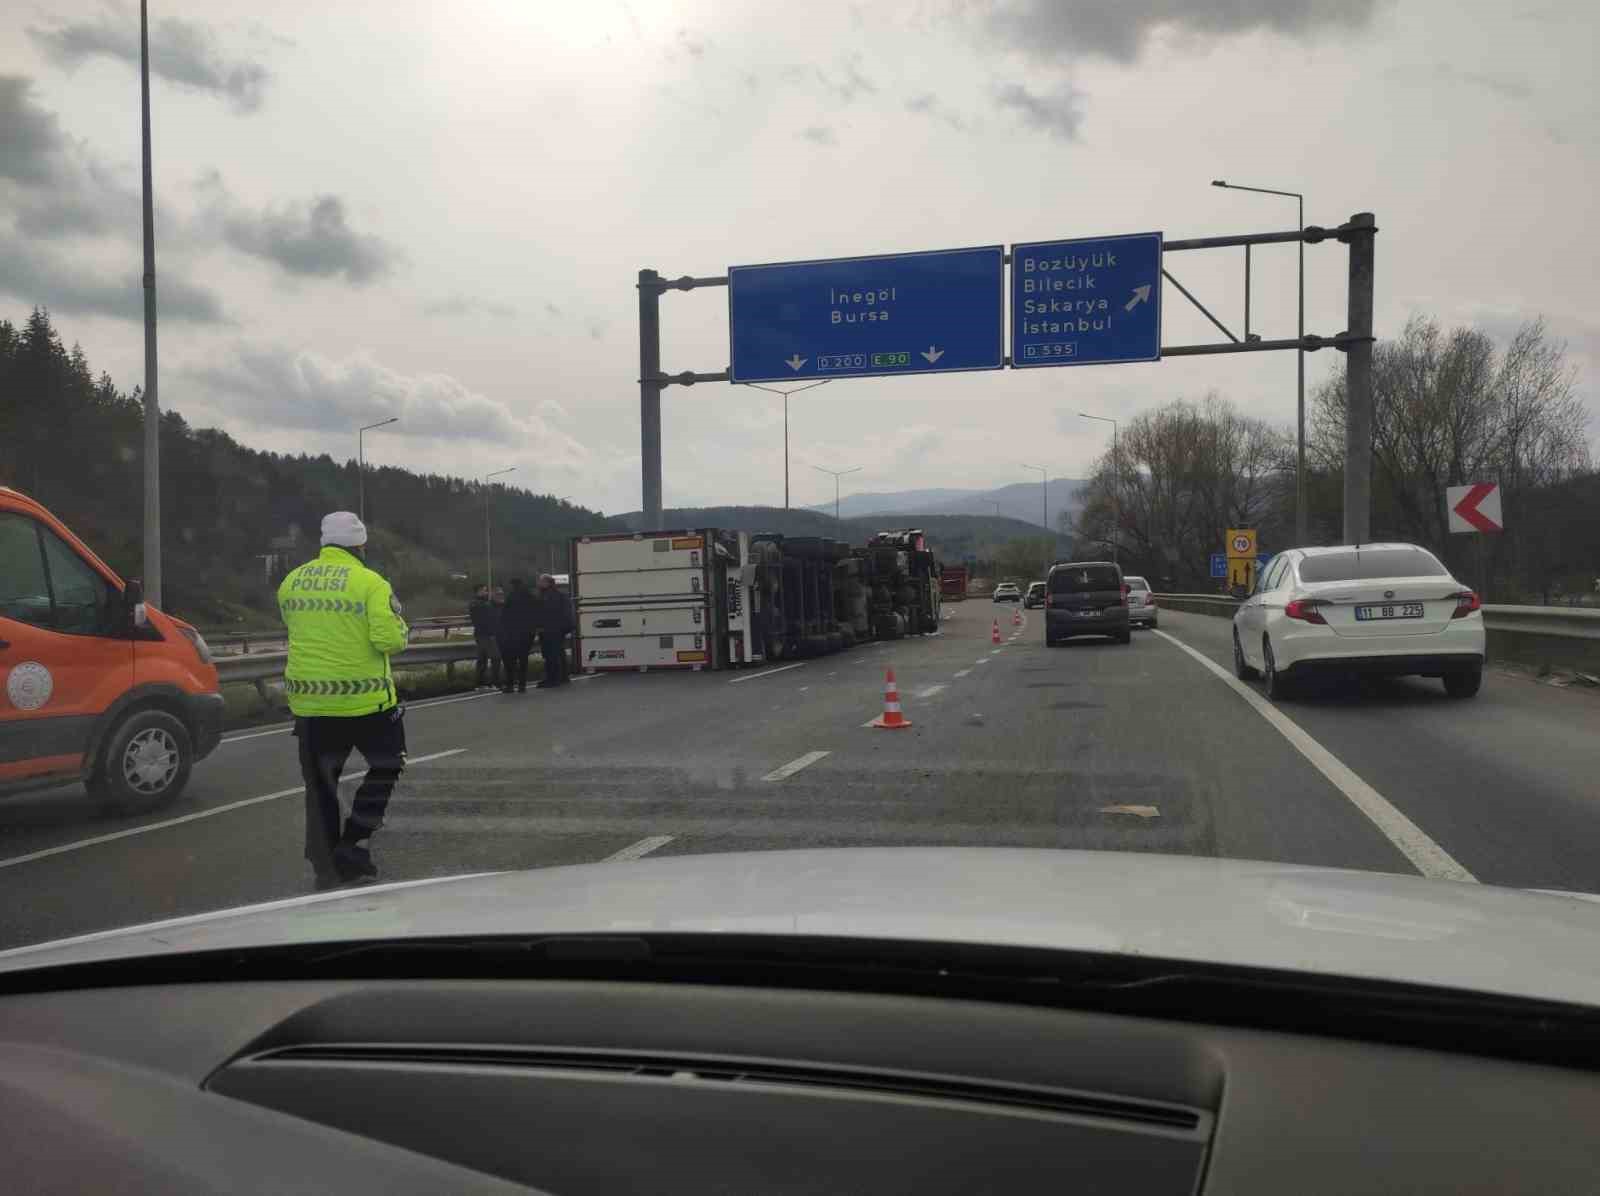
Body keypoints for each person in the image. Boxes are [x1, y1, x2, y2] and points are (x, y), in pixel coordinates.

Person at [278, 511, 409, 890]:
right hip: (367, 703)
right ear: (360, 544)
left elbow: (295, 626)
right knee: (386, 766)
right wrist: (402, 627)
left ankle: (324, 864)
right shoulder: (371, 583)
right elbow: (389, 640)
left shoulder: (291, 582)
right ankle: (353, 846)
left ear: (324, 542)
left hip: (310, 705)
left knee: (320, 784)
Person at [535, 573, 574, 688]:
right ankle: (562, 677)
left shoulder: (548, 596)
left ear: (547, 583)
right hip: (558, 629)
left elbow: (545, 614)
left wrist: (539, 625)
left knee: (551, 655)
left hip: (550, 630)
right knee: (558, 653)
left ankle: (553, 679)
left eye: (541, 581)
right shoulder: (558, 594)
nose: (539, 583)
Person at [498, 577, 536, 693]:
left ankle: (510, 685)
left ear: (513, 585)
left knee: (510, 661)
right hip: (527, 634)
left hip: (512, 634)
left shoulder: (511, 597)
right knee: (523, 659)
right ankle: (522, 685)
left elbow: (504, 616)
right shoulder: (530, 597)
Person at [468, 584, 501, 690]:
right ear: (477, 592)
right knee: (495, 658)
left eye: (486, 591)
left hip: (482, 634)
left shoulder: (482, 603)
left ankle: (480, 683)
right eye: (484, 591)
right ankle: (494, 682)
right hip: (486, 635)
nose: (486, 593)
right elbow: (487, 619)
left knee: (482, 659)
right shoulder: (478, 604)